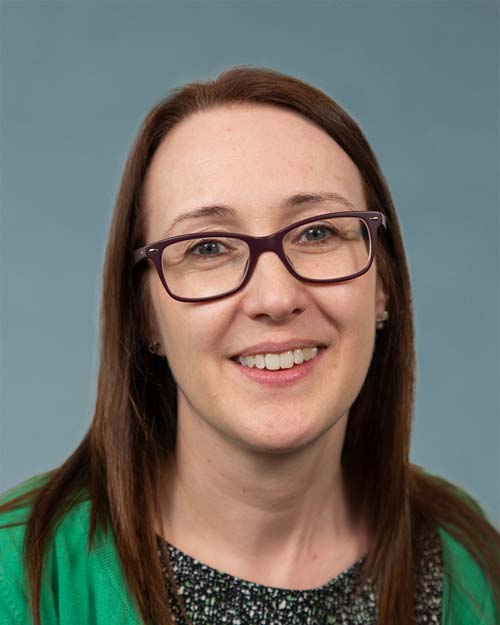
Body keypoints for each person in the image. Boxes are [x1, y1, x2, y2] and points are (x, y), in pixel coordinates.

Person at [0, 65, 498, 625]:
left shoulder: (467, 564)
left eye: (318, 233)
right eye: (208, 247)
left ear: (381, 286)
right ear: (146, 317)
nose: (276, 297)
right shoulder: (17, 580)